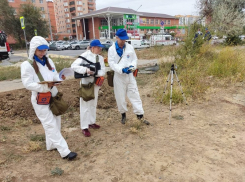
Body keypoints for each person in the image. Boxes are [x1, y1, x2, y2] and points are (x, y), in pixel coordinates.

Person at [21, 36, 77, 160]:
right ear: (33, 50)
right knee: (50, 124)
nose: (43, 53)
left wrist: (59, 78)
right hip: (40, 98)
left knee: (56, 121)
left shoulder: (48, 61)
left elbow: (54, 74)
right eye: (40, 50)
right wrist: (45, 86)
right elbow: (27, 84)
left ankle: (51, 145)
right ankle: (65, 151)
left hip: (53, 95)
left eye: (45, 50)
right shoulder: (26, 65)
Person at [108, 29, 150, 125]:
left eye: (125, 39)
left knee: (135, 95)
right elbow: (111, 63)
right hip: (119, 77)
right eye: (121, 39)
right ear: (117, 37)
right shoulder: (111, 49)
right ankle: (123, 115)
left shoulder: (130, 47)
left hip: (130, 76)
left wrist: (132, 67)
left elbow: (134, 59)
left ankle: (140, 116)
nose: (123, 41)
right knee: (120, 97)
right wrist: (121, 70)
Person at [71, 39, 105, 137]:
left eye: (100, 48)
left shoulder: (100, 58)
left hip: (95, 83)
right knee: (85, 104)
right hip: (86, 83)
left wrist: (95, 73)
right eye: (98, 47)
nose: (100, 49)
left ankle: (91, 122)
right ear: (93, 48)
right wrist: (85, 70)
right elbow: (74, 66)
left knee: (93, 103)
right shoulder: (84, 55)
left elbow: (103, 71)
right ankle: (84, 126)